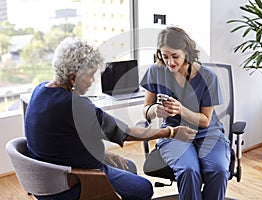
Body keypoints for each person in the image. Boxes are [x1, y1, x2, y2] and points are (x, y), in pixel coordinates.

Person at [24, 37, 196, 200]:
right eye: (90, 76)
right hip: (74, 183)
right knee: (143, 189)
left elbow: (62, 139)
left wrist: (101, 154)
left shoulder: (40, 91)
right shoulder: (75, 106)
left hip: (48, 179)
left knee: (129, 166)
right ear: (73, 77)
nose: (92, 81)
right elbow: (126, 132)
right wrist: (170, 132)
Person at [140, 27, 231, 200]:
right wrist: (154, 111)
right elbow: (146, 109)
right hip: (175, 133)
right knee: (189, 170)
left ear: (187, 52)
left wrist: (181, 109)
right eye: (164, 56)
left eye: (175, 56)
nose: (170, 62)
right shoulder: (155, 71)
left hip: (208, 133)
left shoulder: (208, 77)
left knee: (218, 171)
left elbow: (205, 121)